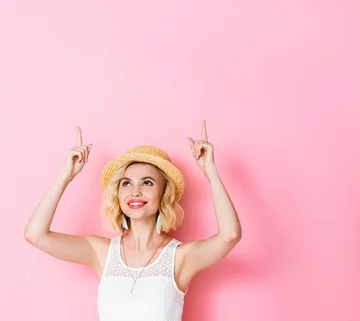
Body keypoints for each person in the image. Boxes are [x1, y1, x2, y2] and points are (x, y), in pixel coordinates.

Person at [24, 120, 242, 321]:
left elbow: (229, 236)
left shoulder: (180, 258)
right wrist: (66, 175)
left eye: (147, 183)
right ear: (118, 194)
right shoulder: (101, 252)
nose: (135, 192)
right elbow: (35, 235)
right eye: (126, 184)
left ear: (163, 193)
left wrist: (210, 170)